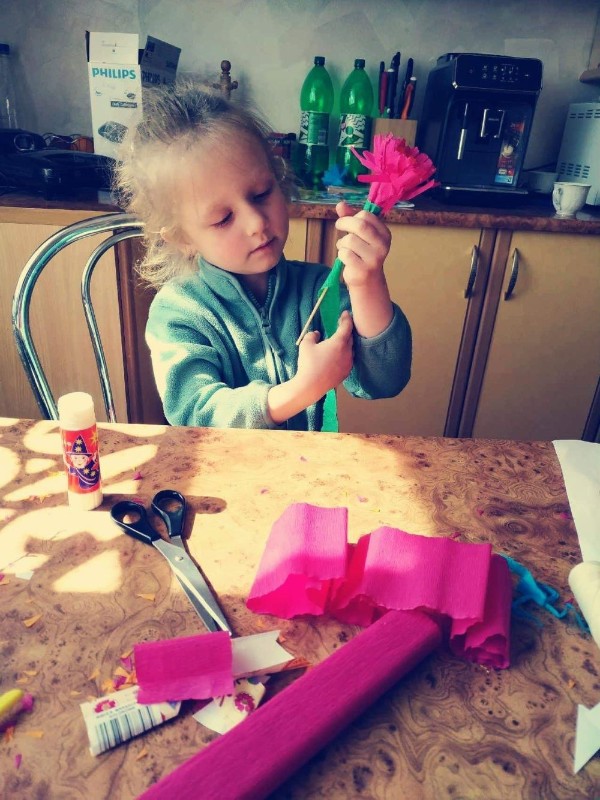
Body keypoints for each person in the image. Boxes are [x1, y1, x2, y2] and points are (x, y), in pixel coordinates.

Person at [115, 78, 412, 431]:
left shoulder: (318, 289)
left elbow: (384, 381)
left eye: (260, 194)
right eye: (223, 218)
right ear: (182, 238)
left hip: (304, 463)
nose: (256, 222)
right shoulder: (179, 311)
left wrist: (367, 283)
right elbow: (195, 412)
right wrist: (301, 390)